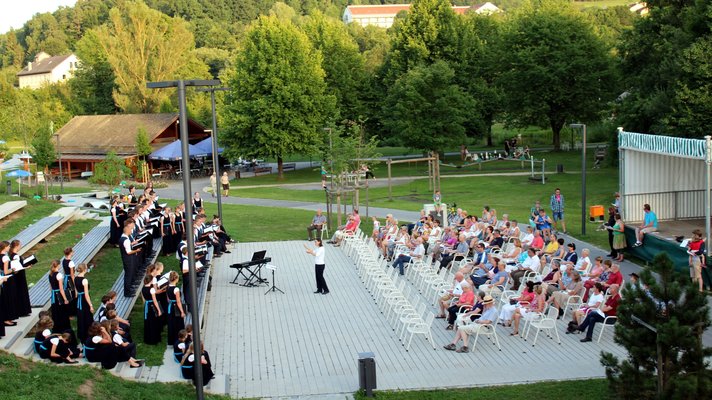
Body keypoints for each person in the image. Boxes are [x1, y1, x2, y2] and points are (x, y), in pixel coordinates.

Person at [119, 220, 142, 298]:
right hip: (128, 259)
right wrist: (136, 250)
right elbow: (128, 252)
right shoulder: (126, 240)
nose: (131, 232)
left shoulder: (123, 237)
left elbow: (127, 246)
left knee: (129, 274)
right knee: (128, 275)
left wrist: (132, 243)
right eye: (130, 230)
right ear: (127, 231)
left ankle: (129, 289)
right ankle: (127, 292)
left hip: (126, 258)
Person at [48, 260, 71, 332]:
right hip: (59, 295)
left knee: (55, 311)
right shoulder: (59, 275)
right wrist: (65, 299)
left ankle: (56, 326)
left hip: (54, 295)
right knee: (62, 310)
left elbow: (51, 287)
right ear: (58, 265)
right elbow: (61, 288)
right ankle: (63, 326)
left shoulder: (50, 274)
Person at [74, 263, 94, 344]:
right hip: (84, 301)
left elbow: (76, 290)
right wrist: (91, 305)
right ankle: (88, 335)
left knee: (81, 317)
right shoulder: (84, 280)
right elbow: (86, 294)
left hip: (79, 299)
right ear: (85, 269)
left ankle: (82, 335)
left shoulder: (75, 278)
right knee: (87, 317)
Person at [1, 241, 18, 327]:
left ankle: (7, 318)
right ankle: (7, 319)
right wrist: (13, 269)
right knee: (8, 298)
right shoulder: (5, 258)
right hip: (6, 279)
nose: (9, 248)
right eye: (8, 246)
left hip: (2, 279)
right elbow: (6, 271)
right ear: (5, 247)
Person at [141, 274, 163, 345]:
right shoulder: (152, 289)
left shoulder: (143, 288)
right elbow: (155, 300)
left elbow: (144, 299)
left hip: (147, 306)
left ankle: (148, 339)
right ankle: (154, 339)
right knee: (154, 322)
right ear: (150, 280)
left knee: (148, 322)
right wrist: (159, 310)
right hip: (152, 306)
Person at [166, 271, 186, 345]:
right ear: (176, 279)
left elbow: (168, 299)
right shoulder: (176, 289)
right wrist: (182, 311)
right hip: (176, 307)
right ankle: (179, 339)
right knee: (178, 324)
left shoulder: (167, 287)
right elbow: (178, 301)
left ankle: (171, 340)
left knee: (171, 324)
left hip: (170, 307)